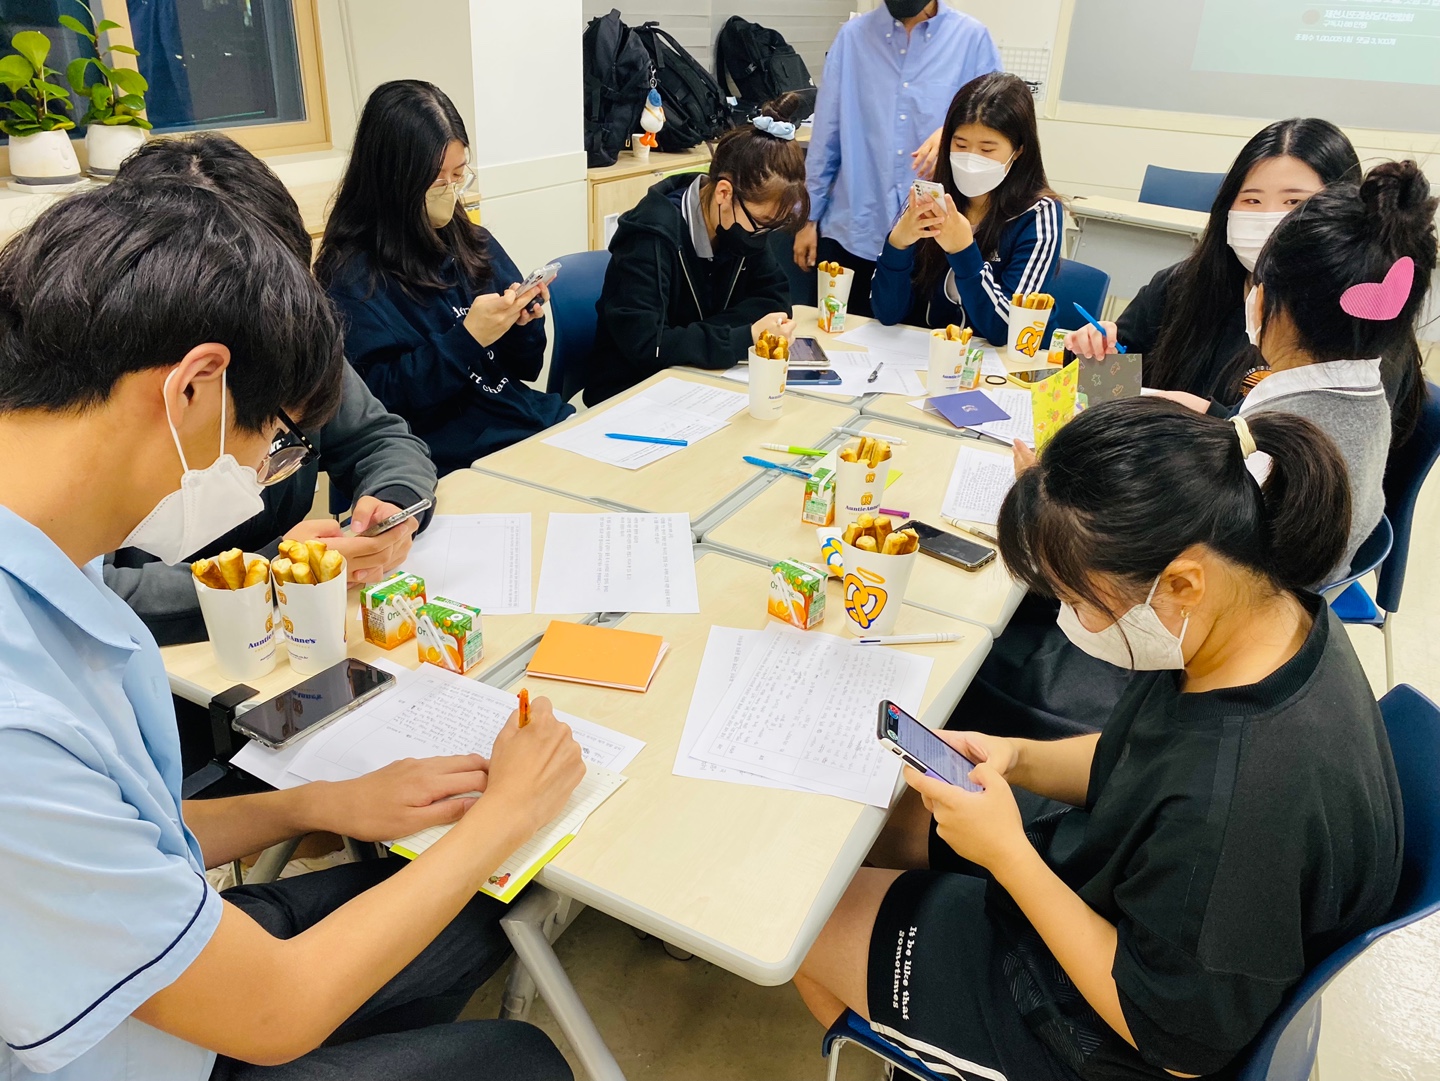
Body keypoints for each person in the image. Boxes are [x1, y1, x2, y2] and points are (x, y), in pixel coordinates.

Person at [0, 178, 582, 1081]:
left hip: (160, 944)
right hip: (135, 1051)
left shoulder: (53, 537)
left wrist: (310, 805)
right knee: (521, 1059)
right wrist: (507, 813)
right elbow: (271, 1011)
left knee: (475, 916)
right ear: (194, 388)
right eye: (274, 444)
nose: (267, 472)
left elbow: (123, 830)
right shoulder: (16, 724)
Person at [794, 397, 1403, 1081]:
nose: (1073, 620)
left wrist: (1009, 857)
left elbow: (1178, 1046)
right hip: (1134, 890)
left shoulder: (1238, 805)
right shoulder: (1260, 620)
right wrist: (1017, 757)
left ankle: (917, 1048)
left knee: (802, 924)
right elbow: (1140, 759)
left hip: (1126, 1030)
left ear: (1181, 583)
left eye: (1082, 602)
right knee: (889, 816)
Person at [102, 133, 438, 646]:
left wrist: (394, 504)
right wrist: (269, 573)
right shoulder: (96, 396)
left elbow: (380, 438)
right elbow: (89, 592)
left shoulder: (293, 340)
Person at [1159, 159, 1437, 581]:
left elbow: (1181, 568)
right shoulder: (1369, 399)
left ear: (1268, 303)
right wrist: (1216, 419)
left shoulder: (1269, 454)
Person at [315, 80, 573, 476]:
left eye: (459, 174)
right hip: (447, 461)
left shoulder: (471, 241)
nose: (451, 191)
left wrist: (522, 323)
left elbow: (525, 369)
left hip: (523, 425)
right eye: (438, 180)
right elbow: (376, 407)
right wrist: (467, 339)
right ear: (394, 178)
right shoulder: (351, 278)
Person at [1065, 119, 1375, 415]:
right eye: (1252, 201)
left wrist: (1208, 418)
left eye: (1295, 202)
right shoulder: (1180, 286)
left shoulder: (1353, 323)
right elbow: (1099, 388)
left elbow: (1322, 443)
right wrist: (1093, 352)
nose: (1269, 219)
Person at [584, 98, 806, 405]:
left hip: (701, 381)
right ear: (724, 193)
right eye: (762, 223)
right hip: (632, 394)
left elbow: (775, 302)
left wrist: (700, 338)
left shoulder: (740, 223)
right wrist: (744, 336)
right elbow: (649, 346)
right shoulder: (649, 236)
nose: (762, 235)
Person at [795, 0, 1001, 316]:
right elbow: (827, 135)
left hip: (931, 239)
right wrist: (808, 219)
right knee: (835, 338)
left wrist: (950, 132)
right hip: (854, 228)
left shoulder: (972, 39)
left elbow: (995, 124)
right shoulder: (852, 38)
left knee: (917, 342)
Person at [869, 73, 1062, 337]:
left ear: (1019, 150)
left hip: (996, 360)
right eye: (960, 145)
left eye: (987, 150)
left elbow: (1009, 330)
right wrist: (897, 245)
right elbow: (886, 314)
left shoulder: (1039, 213)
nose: (971, 159)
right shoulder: (933, 198)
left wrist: (963, 252)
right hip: (928, 353)